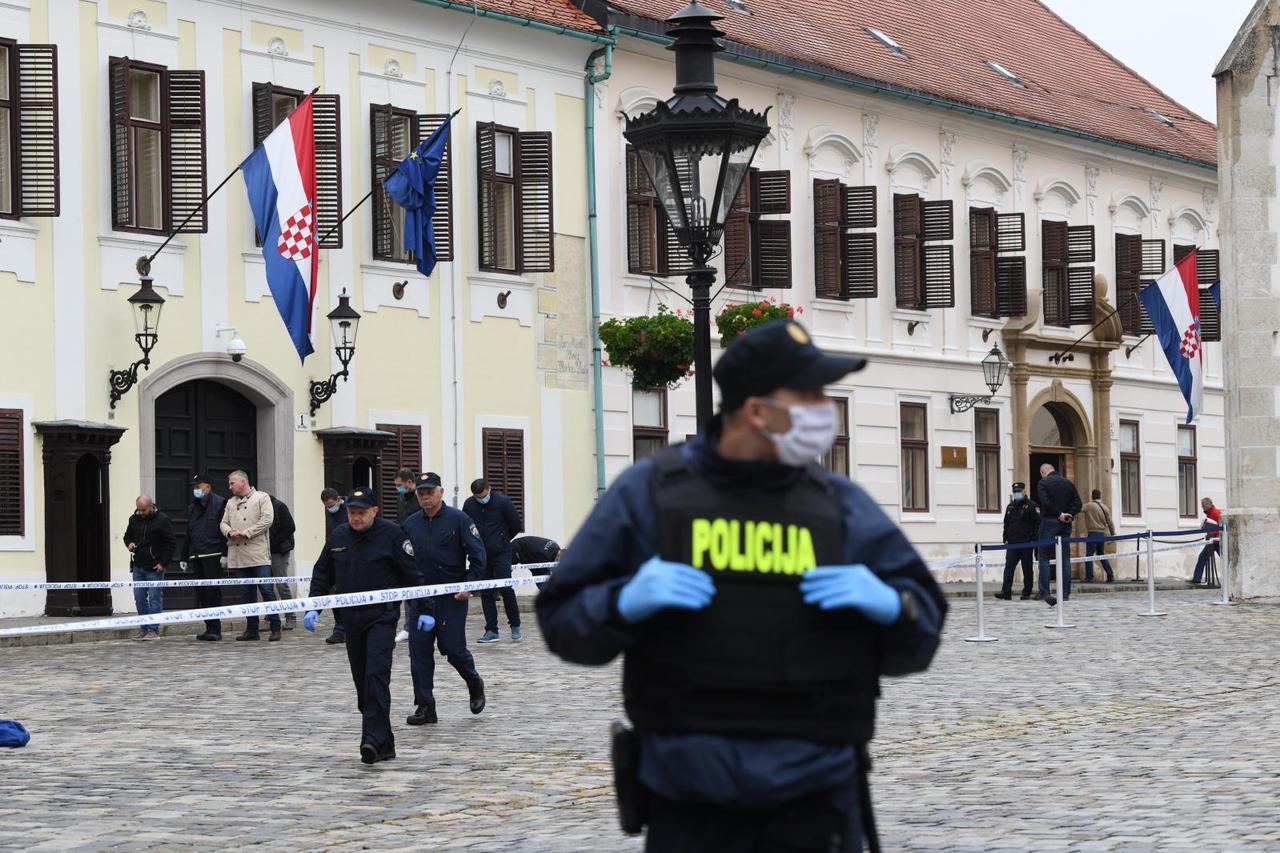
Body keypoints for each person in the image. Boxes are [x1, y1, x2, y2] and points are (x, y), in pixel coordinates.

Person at [536, 320, 946, 853]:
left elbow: (920, 638)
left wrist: (896, 606)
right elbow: (563, 623)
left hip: (816, 806)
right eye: (807, 394)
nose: (824, 409)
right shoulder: (651, 494)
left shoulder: (841, 505)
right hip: (692, 807)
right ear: (757, 411)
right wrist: (621, 602)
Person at [304, 487, 425, 765]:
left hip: (382, 618)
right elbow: (323, 574)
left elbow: (413, 576)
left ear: (374, 511)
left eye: (361, 513)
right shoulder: (338, 536)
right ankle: (385, 742)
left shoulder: (392, 535)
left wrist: (423, 610)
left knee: (376, 676)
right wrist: (314, 606)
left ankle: (371, 741)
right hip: (351, 621)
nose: (356, 518)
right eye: (352, 513)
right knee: (362, 683)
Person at [403, 472, 488, 726]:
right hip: (419, 597)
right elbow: (402, 560)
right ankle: (425, 705)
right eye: (421, 493)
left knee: (453, 649)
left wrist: (469, 586)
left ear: (440, 492)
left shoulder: (459, 520)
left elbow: (478, 556)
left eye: (430, 492)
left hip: (451, 597)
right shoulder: (410, 524)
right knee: (419, 652)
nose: (426, 498)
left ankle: (474, 681)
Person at [220, 470, 281, 642]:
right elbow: (223, 522)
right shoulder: (231, 503)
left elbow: (267, 520)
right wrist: (229, 531)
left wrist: (246, 533)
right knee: (246, 594)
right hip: (238, 554)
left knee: (267, 590)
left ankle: (275, 626)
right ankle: (252, 629)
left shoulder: (262, 498)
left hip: (258, 553)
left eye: (232, 483)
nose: (229, 486)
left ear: (243, 481)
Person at [464, 478, 524, 643]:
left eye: (483, 495)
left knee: (506, 588)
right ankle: (491, 630)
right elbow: (465, 526)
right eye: (477, 497)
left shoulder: (503, 502)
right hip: (481, 554)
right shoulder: (469, 505)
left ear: (489, 489)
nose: (481, 499)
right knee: (486, 591)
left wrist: (503, 540)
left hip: (501, 552)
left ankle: (515, 626)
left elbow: (516, 525)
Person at [123, 495, 175, 640]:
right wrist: (129, 544)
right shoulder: (133, 519)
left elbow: (170, 543)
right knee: (139, 599)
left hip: (155, 567)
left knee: (155, 598)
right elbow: (127, 536)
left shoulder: (162, 519)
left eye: (144, 510)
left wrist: (163, 563)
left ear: (151, 506)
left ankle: (153, 630)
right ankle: (143, 628)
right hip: (138, 565)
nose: (141, 513)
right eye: (138, 510)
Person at [186, 474, 228, 641]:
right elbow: (189, 532)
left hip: (213, 555)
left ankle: (215, 628)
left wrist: (225, 554)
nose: (195, 490)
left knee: (212, 592)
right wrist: (184, 556)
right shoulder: (192, 507)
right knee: (202, 593)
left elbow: (225, 530)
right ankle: (208, 626)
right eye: (194, 487)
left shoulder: (220, 503)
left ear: (208, 487)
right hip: (197, 555)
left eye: (198, 486)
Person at [1035, 463, 1082, 607]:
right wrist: (1068, 514)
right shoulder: (1068, 483)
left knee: (1043, 556)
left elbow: (1045, 502)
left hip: (1049, 522)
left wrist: (1058, 514)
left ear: (1044, 472)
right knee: (1065, 557)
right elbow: (1078, 503)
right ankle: (1065, 593)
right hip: (1066, 524)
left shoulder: (1043, 483)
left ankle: (1044, 591)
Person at [995, 482, 1040, 601]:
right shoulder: (1010, 506)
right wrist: (1005, 538)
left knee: (1027, 569)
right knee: (1009, 568)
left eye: (1019, 491)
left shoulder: (1031, 506)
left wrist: (1034, 540)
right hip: (1013, 543)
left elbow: (1037, 523)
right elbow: (1006, 524)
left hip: (1026, 542)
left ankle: (1027, 592)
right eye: (1015, 492)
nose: (1017, 494)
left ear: (1024, 491)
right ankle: (1006, 592)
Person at [392, 468, 418, 644]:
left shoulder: (421, 498)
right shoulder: (401, 499)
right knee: (408, 588)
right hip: (406, 548)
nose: (398, 489)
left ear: (409, 482)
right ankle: (409, 626)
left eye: (400, 485)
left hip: (421, 547)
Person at [320, 488, 349, 644]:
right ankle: (339, 629)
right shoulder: (329, 512)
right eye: (326, 506)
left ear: (338, 499)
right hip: (335, 555)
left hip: (350, 556)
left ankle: (347, 628)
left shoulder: (351, 509)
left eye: (331, 505)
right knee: (335, 594)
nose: (330, 508)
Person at [268, 494, 298, 629]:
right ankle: (271, 615)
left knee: (281, 583)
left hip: (279, 550)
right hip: (262, 552)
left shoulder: (279, 506)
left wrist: (274, 543)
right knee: (266, 584)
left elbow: (290, 527)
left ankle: (290, 615)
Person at [1081, 489, 1116, 583]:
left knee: (1089, 555)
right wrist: (1113, 534)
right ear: (1100, 496)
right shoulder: (1105, 508)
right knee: (1101, 554)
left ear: (1092, 496)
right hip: (1102, 534)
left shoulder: (1089, 506)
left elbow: (1078, 509)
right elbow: (1110, 523)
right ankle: (1110, 574)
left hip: (1092, 533)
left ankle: (1089, 576)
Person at [1191, 497, 1223, 584]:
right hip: (1213, 541)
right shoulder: (1210, 513)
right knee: (1202, 557)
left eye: (1203, 505)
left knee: (1203, 557)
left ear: (1208, 504)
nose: (1202, 507)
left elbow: (1221, 527)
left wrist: (1214, 534)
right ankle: (1196, 579)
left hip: (1216, 541)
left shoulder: (1216, 513)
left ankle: (1196, 578)